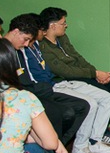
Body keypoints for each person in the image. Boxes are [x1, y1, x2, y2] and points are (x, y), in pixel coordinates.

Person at [39, 7, 110, 147]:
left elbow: (77, 57)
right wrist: (94, 74)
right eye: (63, 23)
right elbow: (64, 71)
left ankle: (102, 129)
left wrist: (96, 72)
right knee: (103, 92)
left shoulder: (62, 38)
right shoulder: (43, 47)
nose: (66, 25)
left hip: (80, 73)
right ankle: (93, 136)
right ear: (52, 26)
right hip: (65, 80)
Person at [5, 14, 90, 146]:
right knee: (63, 113)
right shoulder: (3, 51)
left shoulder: (21, 48)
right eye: (25, 39)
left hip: (39, 89)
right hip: (25, 94)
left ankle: (58, 145)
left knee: (83, 105)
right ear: (16, 31)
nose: (26, 44)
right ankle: (53, 147)